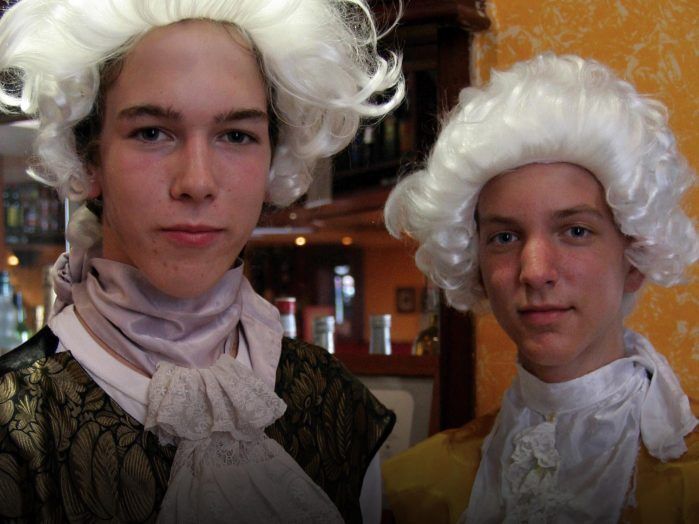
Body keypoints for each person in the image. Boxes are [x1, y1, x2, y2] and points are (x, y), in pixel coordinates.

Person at [0, 0, 404, 522]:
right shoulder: (14, 424)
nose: (197, 182)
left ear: (273, 161)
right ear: (89, 158)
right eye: (151, 132)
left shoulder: (337, 403)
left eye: (236, 135)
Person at [382, 53, 699, 523]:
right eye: (504, 237)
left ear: (633, 257)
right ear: (477, 267)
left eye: (575, 231)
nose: (534, 271)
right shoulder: (414, 488)